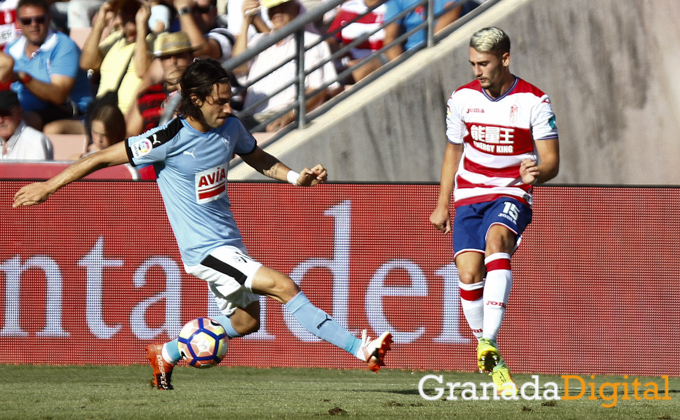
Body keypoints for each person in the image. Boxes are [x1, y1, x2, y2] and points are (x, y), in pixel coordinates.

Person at [13, 58, 393, 390]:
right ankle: (360, 348)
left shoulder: (230, 128)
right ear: (195, 99)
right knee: (283, 285)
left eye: (230, 100)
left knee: (245, 323)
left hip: (230, 244)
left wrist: (296, 178)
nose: (228, 108)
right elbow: (101, 158)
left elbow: (257, 156)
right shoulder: (168, 138)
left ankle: (167, 351)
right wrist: (49, 186)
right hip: (205, 252)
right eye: (220, 101)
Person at [429, 27, 559, 396]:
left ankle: (487, 338)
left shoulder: (535, 101)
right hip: (469, 192)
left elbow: (551, 161)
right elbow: (453, 151)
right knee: (468, 271)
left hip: (511, 192)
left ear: (505, 58)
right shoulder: (461, 98)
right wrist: (442, 203)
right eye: (472, 63)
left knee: (496, 241)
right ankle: (493, 358)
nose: (477, 70)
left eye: (483, 63)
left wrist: (538, 172)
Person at [233, 0, 339, 132]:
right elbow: (238, 67)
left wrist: (291, 113)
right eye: (272, 7)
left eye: (282, 5)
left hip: (280, 115)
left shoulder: (311, 41)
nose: (276, 11)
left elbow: (318, 90)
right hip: (248, 118)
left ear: (295, 8)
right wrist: (246, 22)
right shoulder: (259, 40)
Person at [4, 0, 93, 130]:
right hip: (23, 111)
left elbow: (58, 96)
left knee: (20, 122)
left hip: (69, 110)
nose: (34, 24)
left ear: (49, 19)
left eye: (40, 19)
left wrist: (23, 77)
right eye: (27, 21)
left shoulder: (64, 46)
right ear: (18, 23)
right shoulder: (11, 49)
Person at [80, 0, 153, 116]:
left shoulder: (156, 40)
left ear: (146, 12)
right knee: (53, 129)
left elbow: (142, 71)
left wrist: (141, 27)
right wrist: (100, 22)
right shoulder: (115, 39)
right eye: (125, 11)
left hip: (128, 116)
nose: (130, 15)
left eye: (135, 11)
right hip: (100, 112)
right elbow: (87, 64)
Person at [125, 31, 193, 137]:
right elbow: (130, 135)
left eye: (180, 55)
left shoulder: (200, 91)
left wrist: (181, 86)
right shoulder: (148, 95)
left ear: (190, 58)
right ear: (160, 61)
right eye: (167, 57)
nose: (173, 61)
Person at [326, 0, 387, 83]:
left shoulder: (392, 6)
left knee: (356, 72)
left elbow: (394, 42)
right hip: (350, 63)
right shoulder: (349, 8)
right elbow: (333, 39)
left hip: (382, 60)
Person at [382, 0, 460, 61]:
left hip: (443, 45)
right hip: (411, 54)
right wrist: (401, 68)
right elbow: (389, 39)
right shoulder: (396, 2)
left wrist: (431, 52)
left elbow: (451, 12)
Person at [0, 89, 54, 160]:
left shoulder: (35, 141)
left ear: (19, 113)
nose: (0, 120)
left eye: (5, 114)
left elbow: (37, 171)